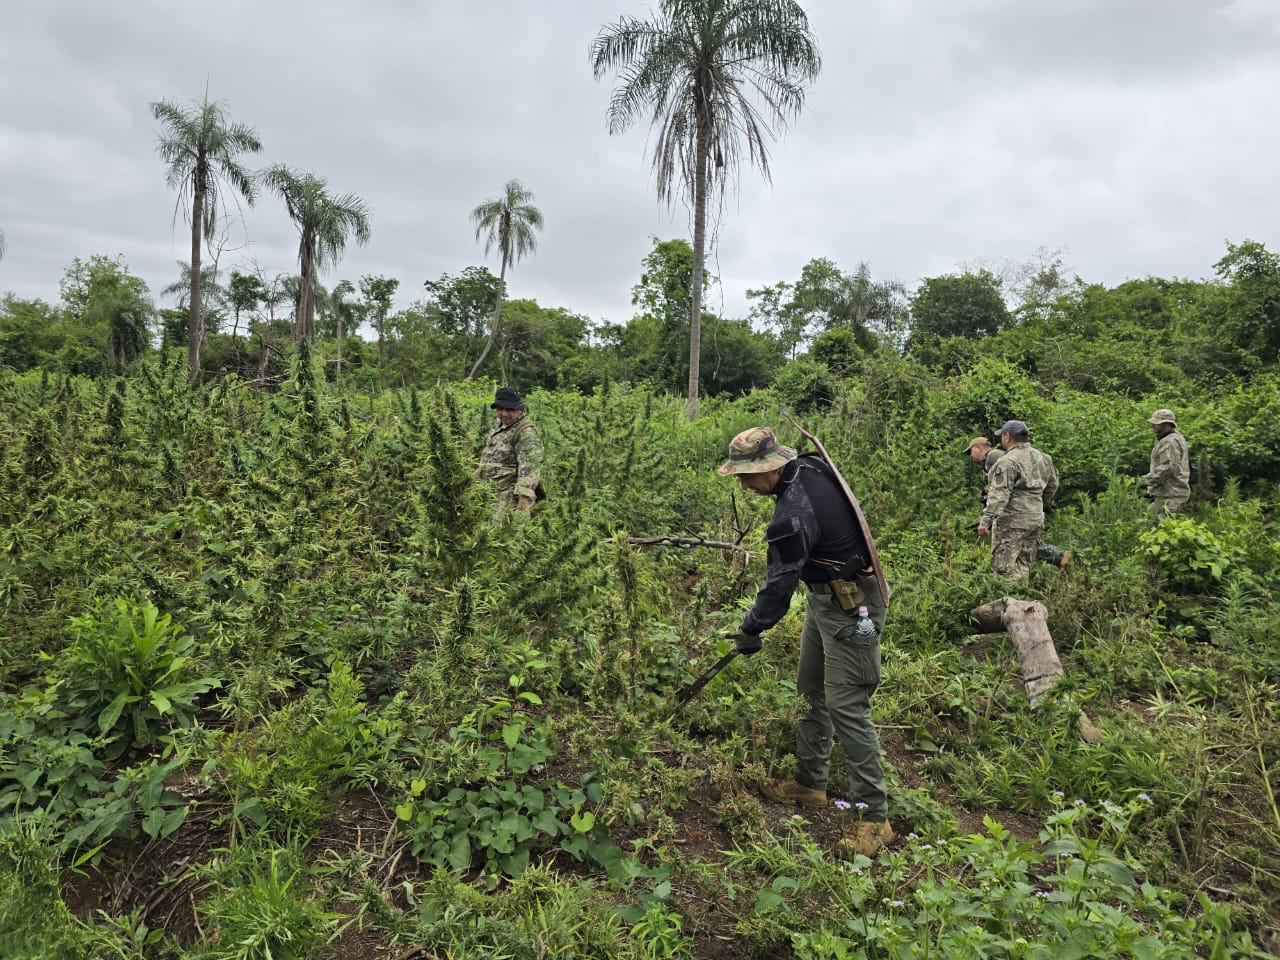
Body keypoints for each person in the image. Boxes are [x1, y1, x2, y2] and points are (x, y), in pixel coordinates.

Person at [717, 426, 894, 858]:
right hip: (826, 597)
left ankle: (875, 818)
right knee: (811, 692)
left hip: (853, 609)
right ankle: (809, 785)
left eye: (748, 475)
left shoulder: (793, 515)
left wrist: (751, 628)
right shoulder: (809, 467)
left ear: (773, 467)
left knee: (848, 705)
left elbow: (778, 587)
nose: (743, 484)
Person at [965, 436, 1069, 568]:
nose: (970, 456)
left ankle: (1064, 558)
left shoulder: (993, 456)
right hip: (1021, 509)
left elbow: (1003, 487)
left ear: (978, 448)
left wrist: (990, 515)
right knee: (1029, 547)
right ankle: (1063, 559)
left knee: (1025, 548)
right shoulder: (990, 461)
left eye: (970, 451)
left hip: (1016, 511)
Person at [977, 421, 1055, 583]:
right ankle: (1023, 601)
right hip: (1035, 517)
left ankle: (1009, 603)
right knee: (1023, 563)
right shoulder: (1044, 458)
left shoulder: (1007, 461)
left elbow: (999, 494)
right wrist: (1038, 503)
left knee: (1004, 568)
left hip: (1012, 520)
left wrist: (986, 521)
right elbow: (1052, 486)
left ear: (1007, 436)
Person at [477, 386, 542, 515]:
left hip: (507, 501)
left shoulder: (526, 432)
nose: (504, 413)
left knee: (502, 534)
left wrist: (522, 508)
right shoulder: (499, 423)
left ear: (520, 408)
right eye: (500, 409)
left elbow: (529, 471)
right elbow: (490, 456)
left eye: (510, 409)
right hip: (487, 494)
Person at [1142, 408, 1190, 518]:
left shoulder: (1169, 441)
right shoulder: (1175, 438)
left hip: (1171, 495)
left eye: (1156, 423)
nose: (1153, 425)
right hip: (1170, 493)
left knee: (1162, 530)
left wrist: (1145, 481)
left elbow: (1168, 467)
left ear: (1167, 424)